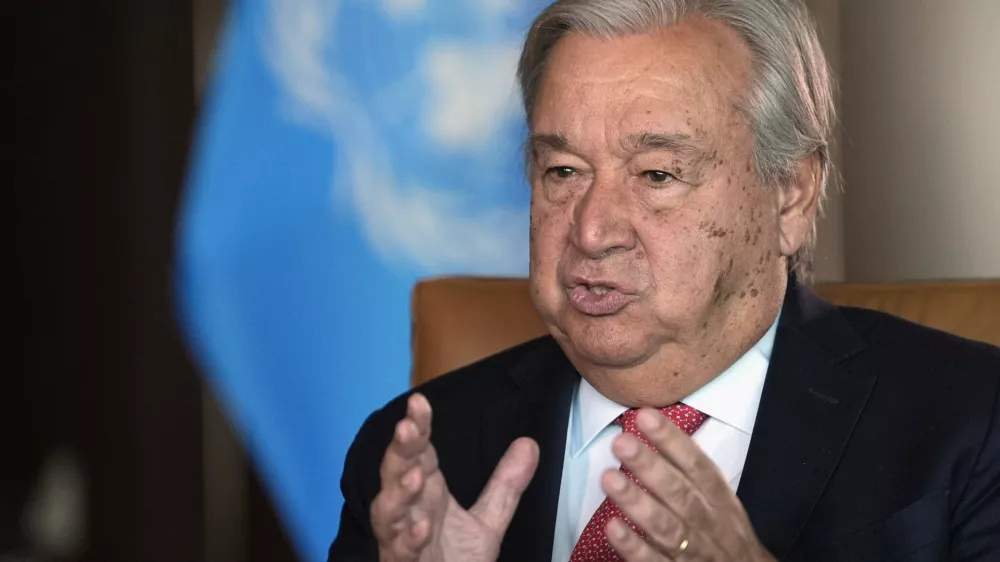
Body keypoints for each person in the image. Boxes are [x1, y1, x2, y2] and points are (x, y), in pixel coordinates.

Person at [329, 0, 1000, 560]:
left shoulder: (970, 425)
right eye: (563, 171)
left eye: (657, 175)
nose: (592, 231)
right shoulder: (420, 462)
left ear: (790, 196)